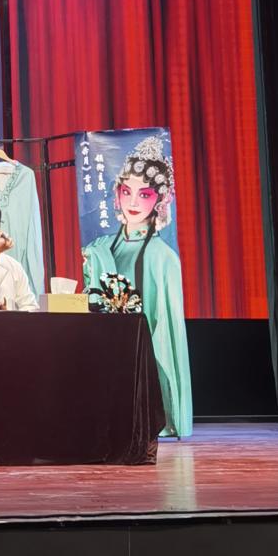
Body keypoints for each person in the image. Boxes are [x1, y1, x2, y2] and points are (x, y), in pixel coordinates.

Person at [81, 135, 193, 438]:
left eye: (144, 194)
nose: (132, 202)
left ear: (159, 200)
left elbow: (166, 332)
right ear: (117, 194)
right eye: (126, 191)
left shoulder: (162, 258)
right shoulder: (99, 248)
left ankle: (159, 415)